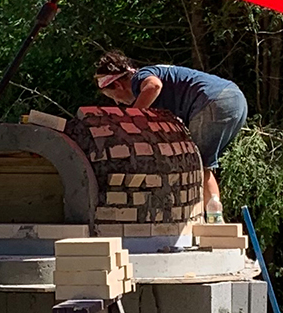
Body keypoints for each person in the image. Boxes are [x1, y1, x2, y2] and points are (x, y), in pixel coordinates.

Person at [94, 50, 248, 210]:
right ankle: (215, 218)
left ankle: (210, 219)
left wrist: (132, 118)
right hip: (235, 100)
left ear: (118, 85)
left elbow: (154, 86)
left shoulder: (140, 77)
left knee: (195, 165)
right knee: (204, 164)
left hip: (213, 101)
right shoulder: (153, 79)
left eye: (112, 96)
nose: (117, 102)